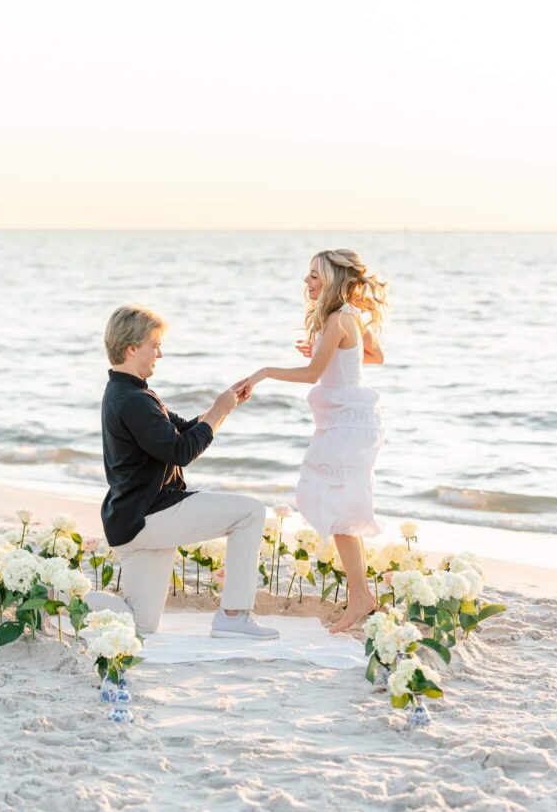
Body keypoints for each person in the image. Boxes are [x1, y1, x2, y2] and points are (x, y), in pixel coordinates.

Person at [92, 303, 279, 640]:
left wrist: (225, 407)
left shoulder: (130, 392)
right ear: (132, 348)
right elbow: (180, 452)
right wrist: (218, 411)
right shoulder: (132, 399)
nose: (159, 354)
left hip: (132, 521)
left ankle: (59, 595)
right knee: (250, 512)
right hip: (149, 516)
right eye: (155, 346)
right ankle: (233, 615)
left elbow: (180, 432)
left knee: (141, 625)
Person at [236, 248, 388, 633]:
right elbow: (372, 356)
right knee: (338, 506)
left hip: (347, 423)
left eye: (314, 276)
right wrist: (328, 353)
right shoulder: (350, 316)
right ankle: (361, 596)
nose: (307, 282)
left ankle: (361, 599)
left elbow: (311, 375)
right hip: (346, 419)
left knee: (338, 507)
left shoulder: (339, 318)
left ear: (334, 280)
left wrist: (265, 372)